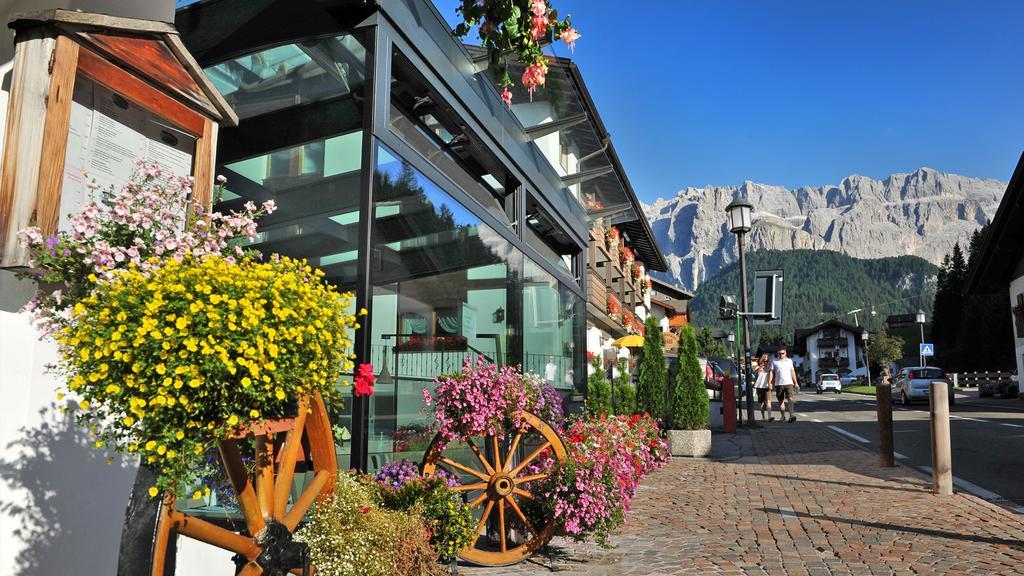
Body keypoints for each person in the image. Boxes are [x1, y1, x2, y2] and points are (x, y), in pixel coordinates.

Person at [769, 347, 800, 422]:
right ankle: (783, 416)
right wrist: (770, 382)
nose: (781, 355)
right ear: (777, 354)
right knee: (781, 401)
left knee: (790, 399)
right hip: (778, 384)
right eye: (779, 353)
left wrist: (796, 383)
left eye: (782, 353)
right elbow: (771, 373)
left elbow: (792, 372)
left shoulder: (789, 361)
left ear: (785, 353)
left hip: (789, 383)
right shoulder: (774, 362)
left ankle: (791, 415)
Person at [754, 354, 774, 421]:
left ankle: (769, 416)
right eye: (764, 360)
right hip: (759, 386)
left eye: (767, 360)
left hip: (767, 386)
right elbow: (753, 372)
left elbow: (772, 375)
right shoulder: (759, 367)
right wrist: (758, 369)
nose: (766, 362)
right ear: (762, 360)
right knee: (761, 402)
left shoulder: (770, 367)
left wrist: (770, 383)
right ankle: (763, 417)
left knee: (768, 401)